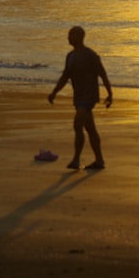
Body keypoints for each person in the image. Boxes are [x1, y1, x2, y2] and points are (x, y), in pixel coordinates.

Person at [48, 26, 113, 170]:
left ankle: (76, 159)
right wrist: (54, 92)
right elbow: (65, 77)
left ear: (80, 37)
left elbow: (103, 74)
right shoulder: (70, 56)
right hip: (78, 97)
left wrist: (110, 94)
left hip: (89, 97)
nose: (68, 38)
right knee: (90, 128)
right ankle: (99, 160)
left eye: (71, 35)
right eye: (69, 35)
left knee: (77, 125)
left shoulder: (91, 55)